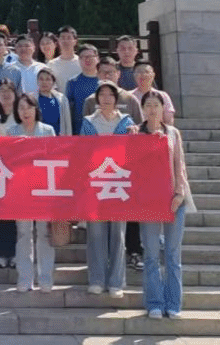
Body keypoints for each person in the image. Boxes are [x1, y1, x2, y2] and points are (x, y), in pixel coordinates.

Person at [139, 89, 193, 318]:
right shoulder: (136, 134)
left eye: (156, 105)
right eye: (148, 105)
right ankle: (154, 302)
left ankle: (173, 303)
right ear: (143, 109)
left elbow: (180, 165)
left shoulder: (172, 133)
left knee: (172, 255)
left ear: (163, 109)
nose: (152, 110)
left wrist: (180, 193)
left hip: (173, 199)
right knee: (151, 255)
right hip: (148, 201)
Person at [81, 81, 135, 298]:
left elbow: (134, 150)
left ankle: (116, 282)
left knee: (118, 234)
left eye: (110, 94)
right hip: (95, 183)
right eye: (102, 94)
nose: (106, 98)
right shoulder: (88, 122)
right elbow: (83, 150)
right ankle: (97, 279)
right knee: (96, 233)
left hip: (119, 182)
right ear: (97, 99)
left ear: (116, 98)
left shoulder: (127, 121)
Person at [0, 93, 56, 292]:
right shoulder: (12, 132)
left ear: (36, 109)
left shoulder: (48, 130)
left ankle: (45, 277)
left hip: (43, 188)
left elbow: (55, 159)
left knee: (44, 233)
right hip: (21, 189)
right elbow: (7, 161)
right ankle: (25, 278)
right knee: (24, 233)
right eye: (21, 108)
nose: (25, 112)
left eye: (29, 107)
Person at [0, 79, 19, 270]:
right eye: (2, 90)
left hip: (19, 171)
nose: (6, 94)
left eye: (9, 90)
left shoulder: (21, 115)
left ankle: (16, 254)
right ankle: (1, 254)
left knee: (17, 216)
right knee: (0, 215)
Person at [83, 56, 142, 125]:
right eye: (103, 72)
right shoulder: (90, 101)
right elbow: (86, 127)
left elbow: (139, 125)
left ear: (118, 74)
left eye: (111, 72)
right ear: (97, 74)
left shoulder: (130, 99)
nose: (107, 76)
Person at [64, 45, 102, 133]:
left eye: (90, 56)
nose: (87, 60)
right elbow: (68, 110)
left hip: (103, 131)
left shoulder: (105, 80)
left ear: (98, 59)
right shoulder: (72, 82)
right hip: (80, 131)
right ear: (79, 60)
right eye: (84, 57)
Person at [35, 66, 72, 136]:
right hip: (39, 138)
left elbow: (67, 123)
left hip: (58, 138)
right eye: (41, 79)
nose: (44, 82)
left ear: (53, 82)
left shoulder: (62, 99)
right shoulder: (33, 99)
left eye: (48, 79)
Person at [48, 26, 82, 92]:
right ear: (58, 41)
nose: (65, 41)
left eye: (69, 38)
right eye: (62, 38)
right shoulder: (51, 64)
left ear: (75, 41)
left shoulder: (81, 62)